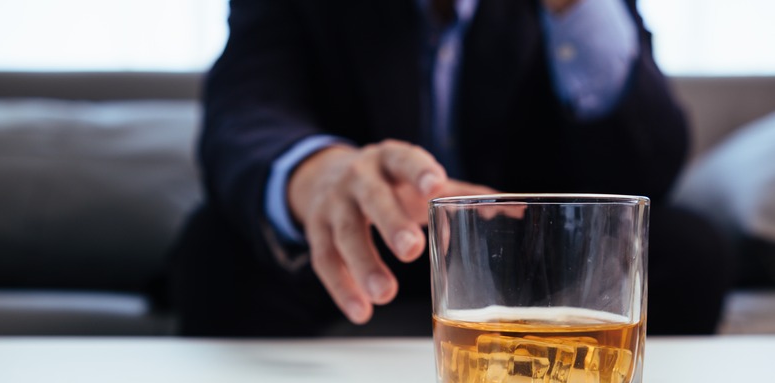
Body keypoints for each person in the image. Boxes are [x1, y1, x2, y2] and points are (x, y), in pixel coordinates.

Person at [166, 0, 735, 337]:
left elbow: (649, 168)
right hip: (363, 242)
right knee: (214, 250)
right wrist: (319, 172)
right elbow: (245, 110)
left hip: (531, 251)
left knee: (688, 250)